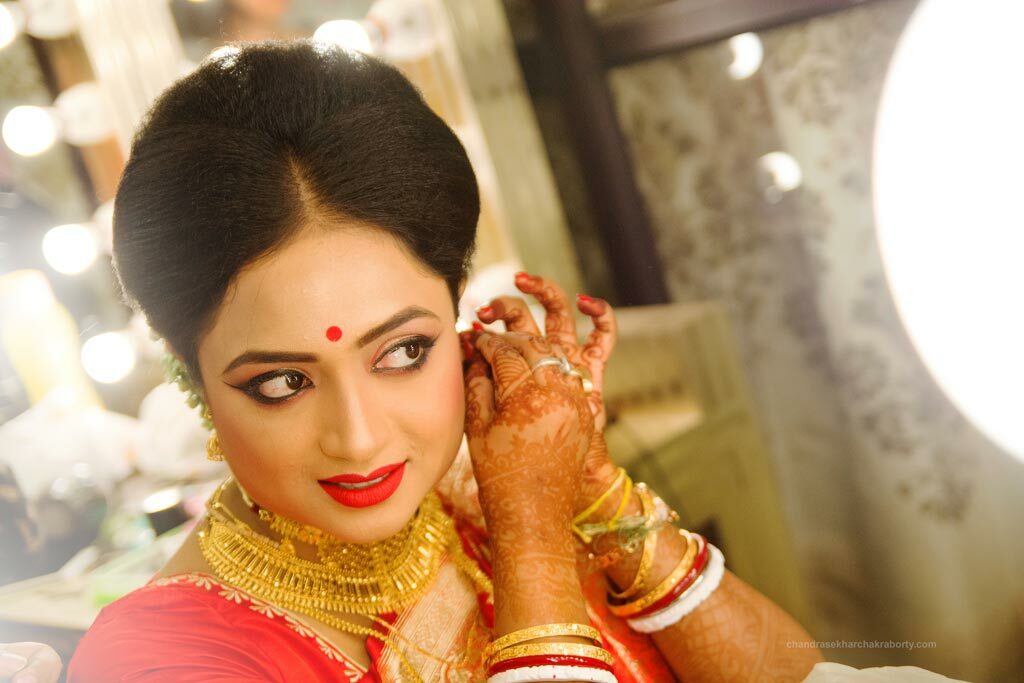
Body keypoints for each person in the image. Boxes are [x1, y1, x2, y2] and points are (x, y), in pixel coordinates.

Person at [67, 40, 822, 682]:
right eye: (282, 381)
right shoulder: (160, 661)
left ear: (457, 313)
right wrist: (531, 542)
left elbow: (802, 674)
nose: (359, 437)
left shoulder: (472, 493)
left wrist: (595, 488)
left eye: (402, 350)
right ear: (186, 371)